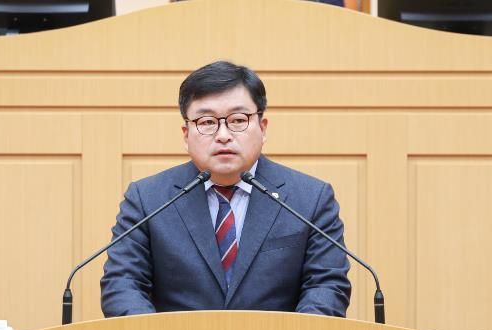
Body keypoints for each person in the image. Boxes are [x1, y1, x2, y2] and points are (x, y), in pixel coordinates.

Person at [100, 61, 351, 317]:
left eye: (238, 120)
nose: (223, 135)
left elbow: (327, 285)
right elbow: (123, 283)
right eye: (207, 122)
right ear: (186, 135)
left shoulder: (310, 199)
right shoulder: (148, 200)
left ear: (263, 128)